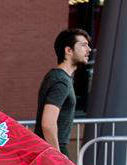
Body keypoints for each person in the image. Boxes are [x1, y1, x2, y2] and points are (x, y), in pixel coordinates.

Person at [34, 28, 91, 157]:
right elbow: (48, 123)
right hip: (52, 150)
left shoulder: (57, 77)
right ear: (68, 50)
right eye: (83, 45)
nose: (89, 49)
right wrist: (58, 155)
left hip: (46, 149)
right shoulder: (61, 81)